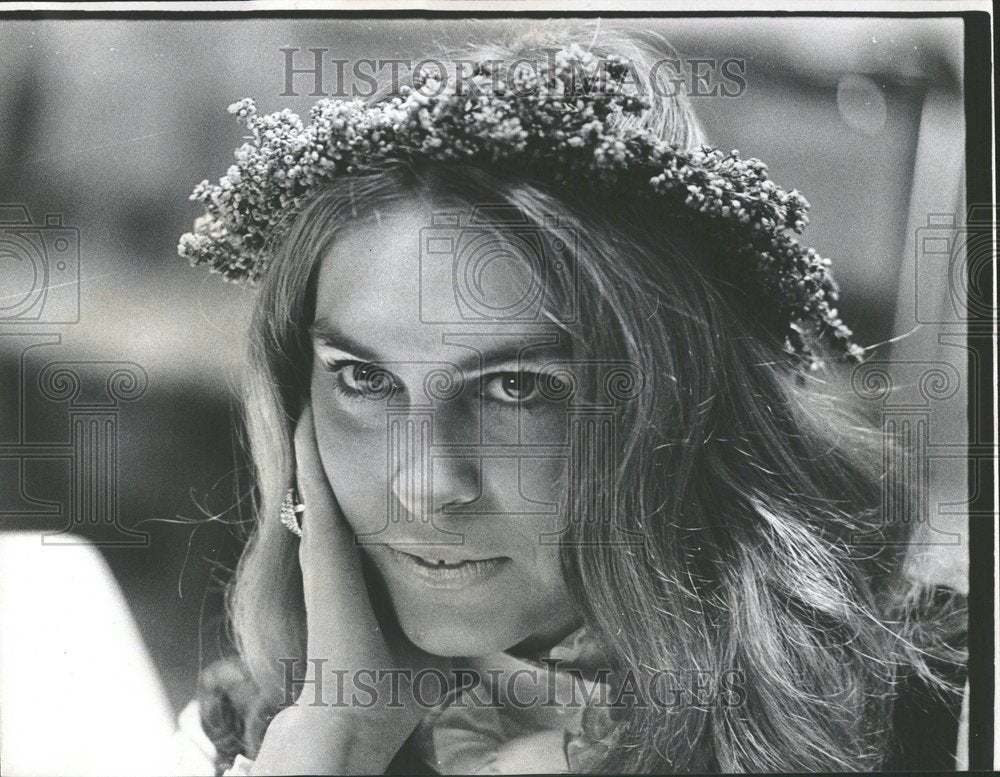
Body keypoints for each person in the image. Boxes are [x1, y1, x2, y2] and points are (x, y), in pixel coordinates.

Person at [176, 23, 967, 774]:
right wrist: (341, 738)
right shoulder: (260, 728)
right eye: (365, 379)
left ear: (675, 403)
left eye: (516, 388)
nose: (425, 484)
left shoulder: (947, 697)